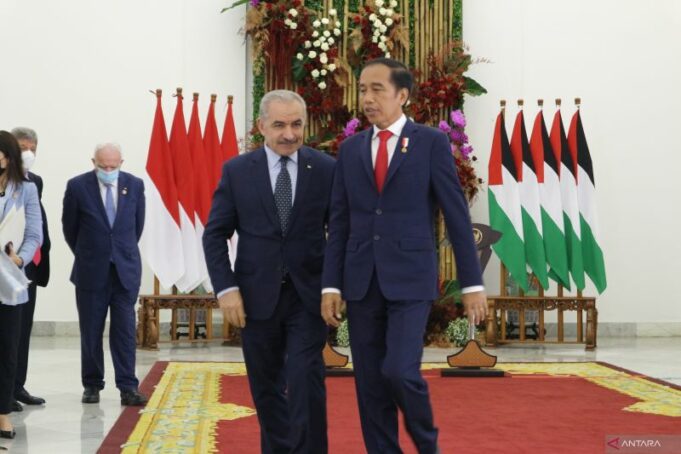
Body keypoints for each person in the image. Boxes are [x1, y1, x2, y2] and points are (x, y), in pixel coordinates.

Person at [321, 58, 487, 454]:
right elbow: (339, 222)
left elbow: (456, 216)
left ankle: (427, 446)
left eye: (377, 90)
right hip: (361, 281)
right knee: (370, 383)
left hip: (411, 280)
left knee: (399, 371)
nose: (367, 98)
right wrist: (331, 284)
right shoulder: (351, 149)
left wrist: (472, 283)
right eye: (363, 89)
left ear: (402, 95)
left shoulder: (430, 143)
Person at [203, 90, 335, 453]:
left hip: (309, 297)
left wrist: (334, 286)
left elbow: (341, 232)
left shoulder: (326, 169)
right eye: (279, 125)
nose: (289, 134)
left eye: (296, 124)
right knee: (266, 388)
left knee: (306, 381)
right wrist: (226, 288)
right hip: (254, 298)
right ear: (261, 126)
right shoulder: (237, 172)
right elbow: (214, 234)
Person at [62, 143, 147, 406]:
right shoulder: (77, 186)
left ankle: (128, 387)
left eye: (113, 166)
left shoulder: (134, 185)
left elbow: (137, 226)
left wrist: (118, 252)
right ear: (94, 163)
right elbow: (70, 229)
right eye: (103, 166)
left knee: (125, 332)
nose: (108, 170)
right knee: (91, 331)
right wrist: (91, 253)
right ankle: (92, 384)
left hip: (124, 272)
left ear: (121, 162)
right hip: (91, 271)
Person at [0, 131, 42, 439]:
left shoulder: (26, 188)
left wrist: (21, 258)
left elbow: (34, 233)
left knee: (7, 350)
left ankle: (3, 414)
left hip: (9, 280)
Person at [10, 127, 51, 411]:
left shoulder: (35, 181)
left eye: (33, 149)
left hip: (29, 265)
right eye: (23, 148)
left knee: (24, 328)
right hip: (6, 264)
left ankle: (17, 385)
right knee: (7, 330)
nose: (28, 154)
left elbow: (35, 222)